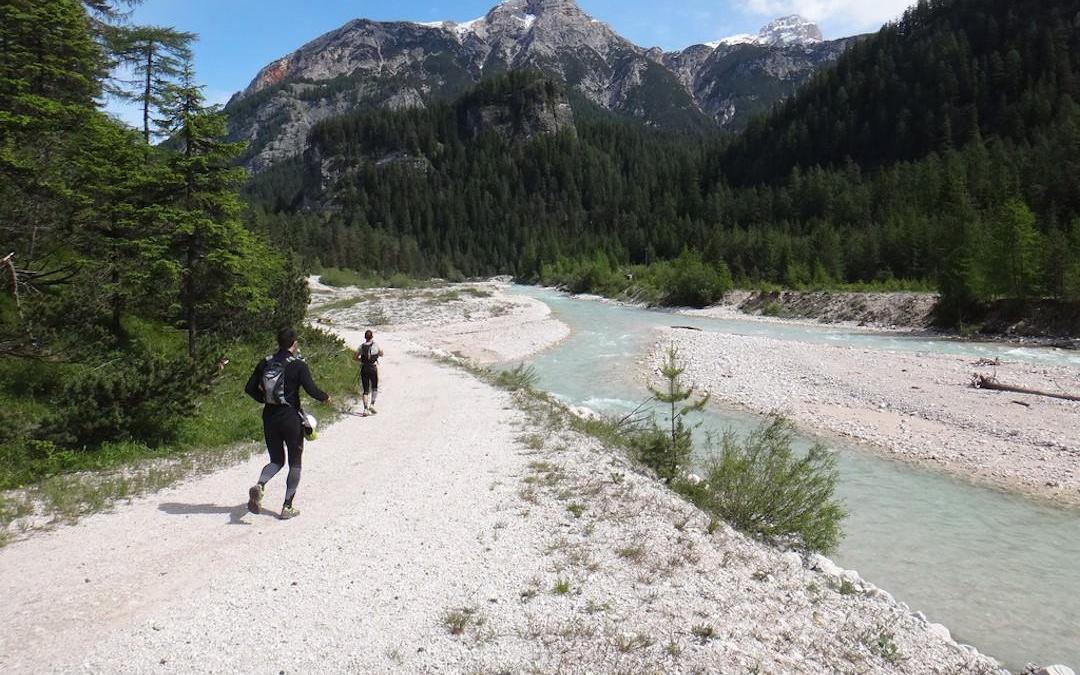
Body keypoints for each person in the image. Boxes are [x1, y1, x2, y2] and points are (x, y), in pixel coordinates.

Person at [244, 327, 331, 519]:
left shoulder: (265, 362)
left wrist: (264, 399)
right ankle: (287, 507)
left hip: (269, 415)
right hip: (290, 417)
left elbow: (249, 388)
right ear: (294, 343)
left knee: (276, 460)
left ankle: (260, 485)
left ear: (278, 342)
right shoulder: (298, 364)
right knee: (295, 463)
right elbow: (311, 389)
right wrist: (325, 397)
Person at [354, 329, 383, 416]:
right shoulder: (375, 345)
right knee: (374, 387)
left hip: (364, 368)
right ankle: (372, 404)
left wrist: (361, 360)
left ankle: (365, 409)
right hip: (373, 368)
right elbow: (381, 354)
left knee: (365, 390)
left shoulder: (361, 346)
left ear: (365, 337)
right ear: (372, 336)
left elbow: (354, 357)